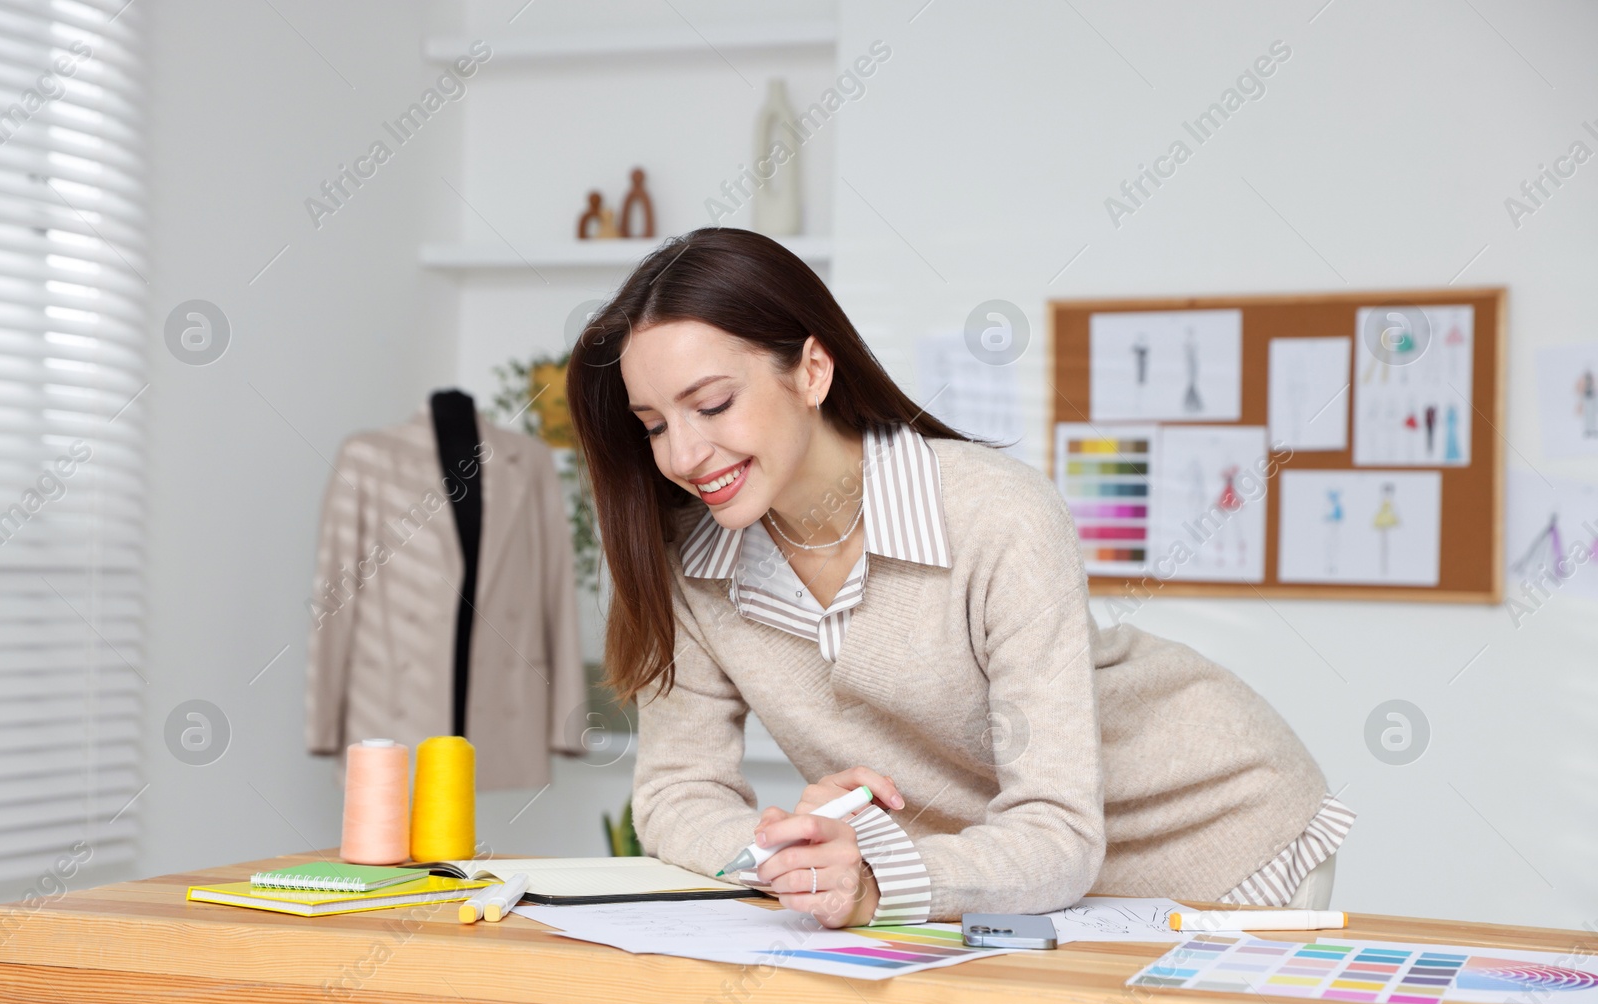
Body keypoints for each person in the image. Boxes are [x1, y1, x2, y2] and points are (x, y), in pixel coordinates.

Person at [565, 227, 1352, 929]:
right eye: (656, 425)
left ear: (811, 369)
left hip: (1207, 827)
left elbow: (1058, 831)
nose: (682, 456)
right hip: (1000, 878)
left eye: (713, 404)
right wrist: (790, 850)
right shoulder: (692, 560)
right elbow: (675, 792)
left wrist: (878, 875)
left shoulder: (993, 514)